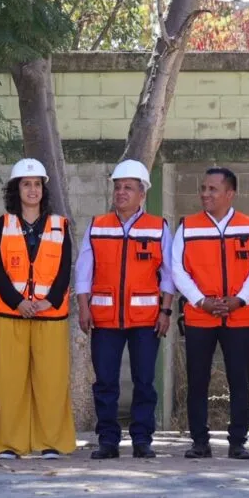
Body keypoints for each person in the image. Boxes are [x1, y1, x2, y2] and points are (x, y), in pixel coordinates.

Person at [76, 159, 174, 460]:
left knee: (144, 382)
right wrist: (83, 307)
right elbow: (83, 270)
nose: (121, 192)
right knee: (105, 383)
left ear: (142, 194)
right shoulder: (98, 225)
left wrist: (166, 311)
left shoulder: (158, 227)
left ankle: (142, 440)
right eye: (117, 187)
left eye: (128, 188)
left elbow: (170, 273)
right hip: (104, 319)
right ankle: (108, 441)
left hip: (146, 320)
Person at [172, 167, 249, 460]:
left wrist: (239, 299)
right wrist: (201, 301)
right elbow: (178, 269)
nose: (205, 194)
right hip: (200, 316)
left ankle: (238, 442)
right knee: (197, 381)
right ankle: (199, 442)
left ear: (230, 193)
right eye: (203, 188)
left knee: (239, 381)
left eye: (212, 189)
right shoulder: (187, 227)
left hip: (239, 317)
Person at [0, 158, 76, 460]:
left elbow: (65, 269)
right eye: (26, 184)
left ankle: (51, 443)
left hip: (51, 315)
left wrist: (49, 300)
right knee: (9, 381)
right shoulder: (2, 225)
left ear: (43, 190)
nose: (33, 189)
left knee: (51, 381)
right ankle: (9, 444)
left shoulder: (60, 225)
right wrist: (18, 302)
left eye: (37, 184)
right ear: (17, 189)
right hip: (11, 313)